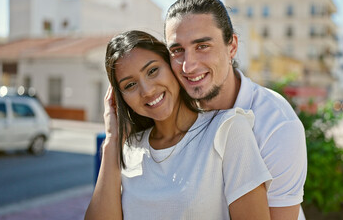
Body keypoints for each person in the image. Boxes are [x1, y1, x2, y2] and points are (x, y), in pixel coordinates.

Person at [84, 30, 272, 220]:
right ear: (120, 99)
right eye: (130, 85)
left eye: (152, 70)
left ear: (172, 66)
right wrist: (112, 141)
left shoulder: (227, 129)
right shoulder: (129, 148)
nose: (147, 91)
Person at [164, 0, 307, 220]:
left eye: (202, 46)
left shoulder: (277, 124)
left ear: (232, 46)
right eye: (177, 50)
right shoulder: (169, 114)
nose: (188, 66)